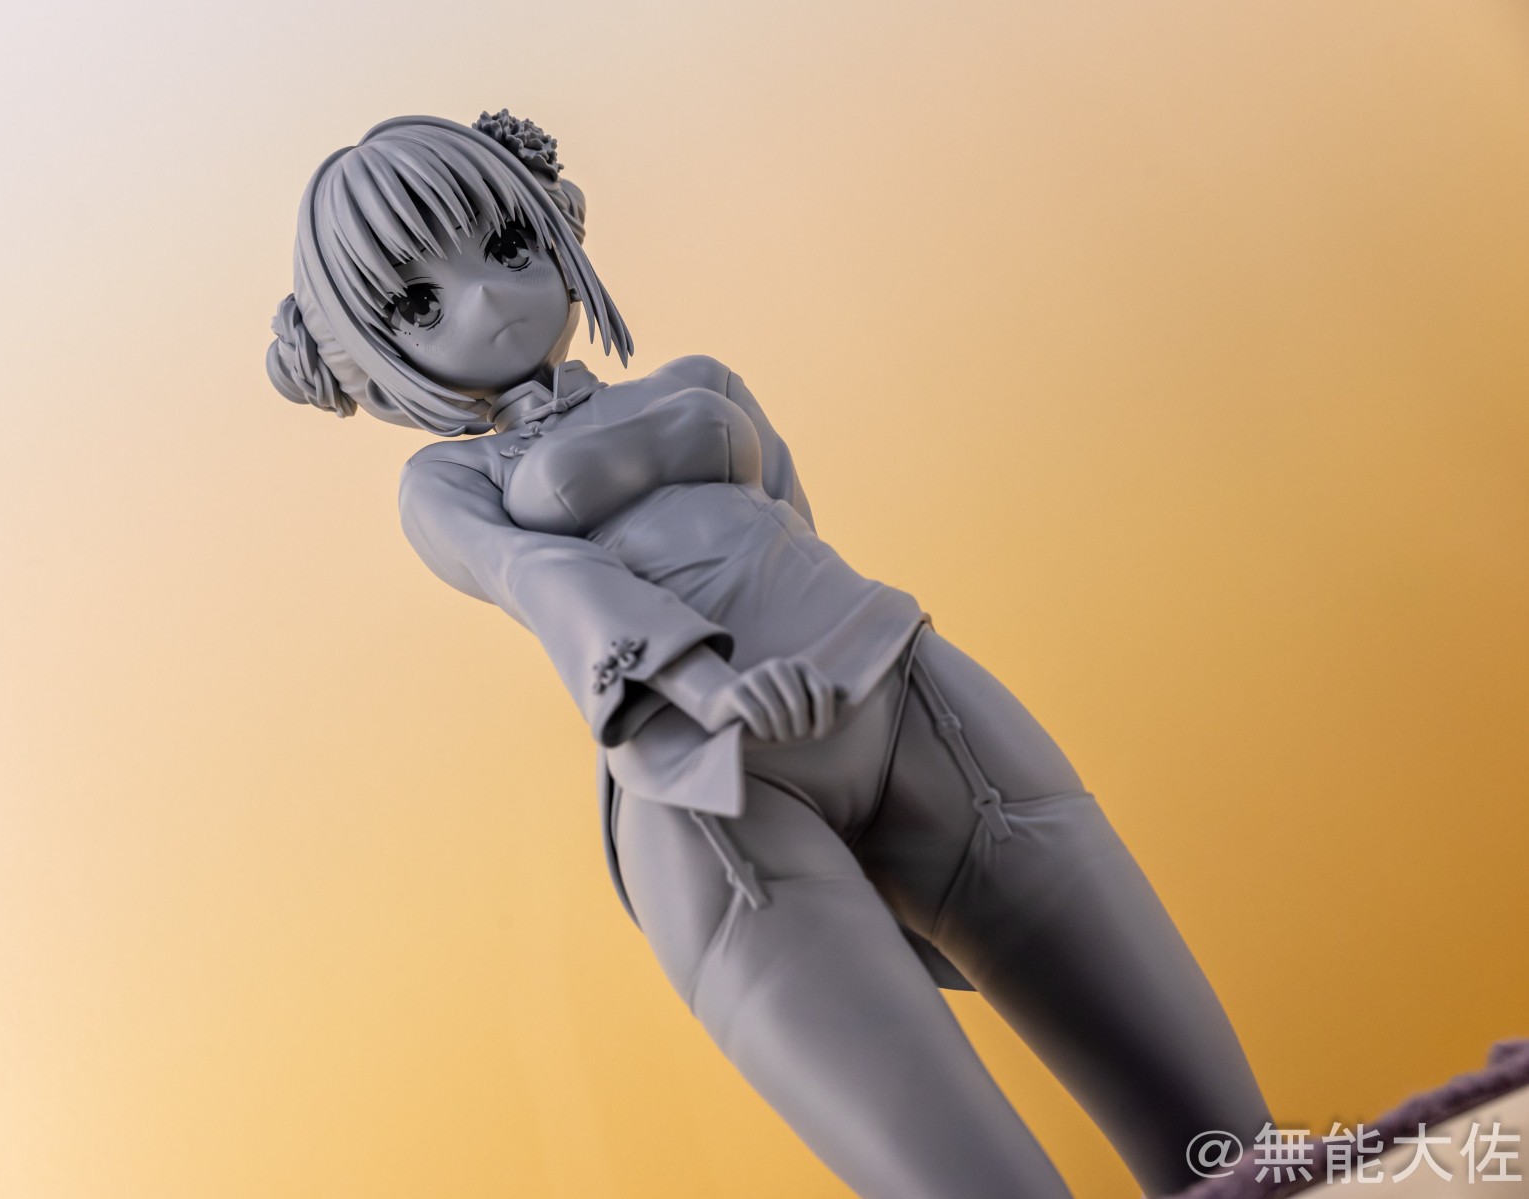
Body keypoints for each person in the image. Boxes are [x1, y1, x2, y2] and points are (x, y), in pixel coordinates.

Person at [264, 108, 1273, 1198]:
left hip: (909, 693)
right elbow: (547, 583)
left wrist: (833, 654)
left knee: (1229, 1138)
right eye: (419, 302)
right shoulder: (447, 482)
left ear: (555, 219)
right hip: (712, 788)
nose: (489, 300)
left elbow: (793, 526)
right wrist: (710, 682)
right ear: (370, 351)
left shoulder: (701, 379)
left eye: (507, 244)